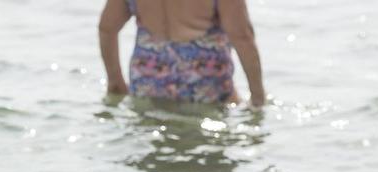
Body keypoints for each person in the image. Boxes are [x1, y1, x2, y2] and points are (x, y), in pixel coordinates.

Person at [99, 0, 265, 106]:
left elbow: (107, 28)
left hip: (148, 82)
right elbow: (242, 38)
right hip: (204, 86)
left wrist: (115, 81)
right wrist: (258, 98)